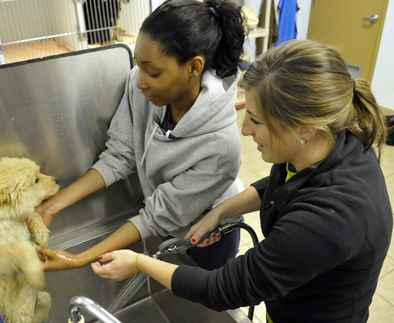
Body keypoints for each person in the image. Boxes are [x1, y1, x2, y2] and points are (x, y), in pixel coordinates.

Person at [91, 39, 393, 323]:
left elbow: (224, 289)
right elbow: (280, 183)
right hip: (290, 302)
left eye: (257, 120)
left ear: (305, 128)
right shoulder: (326, 143)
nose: (245, 130)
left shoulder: (331, 217)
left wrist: (138, 262)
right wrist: (219, 212)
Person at [32, 0, 247, 271]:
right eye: (139, 65)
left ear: (194, 67)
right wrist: (51, 206)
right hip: (168, 224)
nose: (139, 81)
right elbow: (120, 155)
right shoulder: (147, 90)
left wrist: (78, 259)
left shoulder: (220, 148)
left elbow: (155, 217)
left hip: (208, 238)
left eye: (153, 72)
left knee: (205, 304)